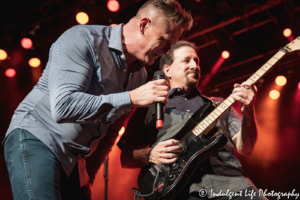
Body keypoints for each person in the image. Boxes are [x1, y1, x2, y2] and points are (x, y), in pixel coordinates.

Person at [3, 1, 193, 199]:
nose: (168, 51)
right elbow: (63, 106)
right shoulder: (83, 38)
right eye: (164, 41)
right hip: (39, 136)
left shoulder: (139, 75)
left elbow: (110, 132)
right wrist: (131, 97)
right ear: (144, 25)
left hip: (77, 161)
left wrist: (89, 175)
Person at [118, 41, 267, 200]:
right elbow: (125, 158)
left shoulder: (220, 104)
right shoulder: (150, 106)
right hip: (179, 191)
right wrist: (149, 154)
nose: (194, 65)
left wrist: (249, 110)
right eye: (186, 60)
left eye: (196, 61)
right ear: (167, 70)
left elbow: (246, 148)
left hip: (232, 185)